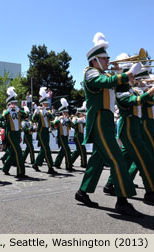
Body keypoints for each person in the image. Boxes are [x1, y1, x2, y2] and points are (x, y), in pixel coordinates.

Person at [75, 32, 143, 217]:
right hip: (99, 122)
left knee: (97, 160)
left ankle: (82, 192)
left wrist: (124, 74)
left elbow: (121, 88)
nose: (108, 60)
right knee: (117, 160)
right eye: (105, 58)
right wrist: (127, 73)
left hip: (106, 122)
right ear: (95, 59)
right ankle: (122, 201)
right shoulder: (90, 73)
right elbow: (104, 81)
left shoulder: (104, 74)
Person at [103, 63, 154, 204]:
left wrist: (145, 87)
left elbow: (147, 100)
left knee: (127, 159)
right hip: (129, 127)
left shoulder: (132, 90)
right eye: (132, 76)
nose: (134, 78)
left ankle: (111, 184)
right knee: (145, 159)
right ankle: (150, 191)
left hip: (134, 127)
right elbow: (137, 101)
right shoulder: (122, 92)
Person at [1, 87, 28, 178]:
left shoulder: (18, 111)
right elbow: (1, 118)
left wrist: (19, 109)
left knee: (13, 152)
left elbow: (26, 115)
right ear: (9, 104)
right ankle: (20, 172)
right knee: (18, 152)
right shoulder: (7, 112)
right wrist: (8, 109)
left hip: (17, 133)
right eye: (13, 103)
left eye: (15, 103)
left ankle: (5, 168)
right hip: (10, 134)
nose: (15, 104)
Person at [32, 87, 57, 174]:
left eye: (47, 103)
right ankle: (50, 167)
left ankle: (36, 164)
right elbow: (33, 119)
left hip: (46, 131)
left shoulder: (48, 111)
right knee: (47, 149)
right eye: (45, 103)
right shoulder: (38, 111)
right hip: (41, 131)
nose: (47, 105)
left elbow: (52, 118)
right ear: (42, 103)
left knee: (44, 149)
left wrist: (47, 112)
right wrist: (37, 111)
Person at [52, 98, 73, 171]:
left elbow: (72, 125)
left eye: (66, 112)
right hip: (60, 136)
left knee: (63, 151)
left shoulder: (67, 119)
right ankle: (68, 165)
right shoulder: (58, 117)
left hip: (65, 136)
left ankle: (57, 163)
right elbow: (53, 124)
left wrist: (67, 120)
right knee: (67, 150)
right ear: (62, 112)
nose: (66, 113)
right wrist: (59, 120)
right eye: (64, 112)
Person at [70, 102, 87, 168]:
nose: (83, 114)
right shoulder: (75, 118)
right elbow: (73, 125)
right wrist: (80, 120)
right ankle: (83, 163)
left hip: (81, 136)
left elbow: (85, 124)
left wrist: (83, 119)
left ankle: (70, 161)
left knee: (78, 150)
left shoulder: (83, 119)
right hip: (77, 136)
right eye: (82, 113)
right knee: (82, 149)